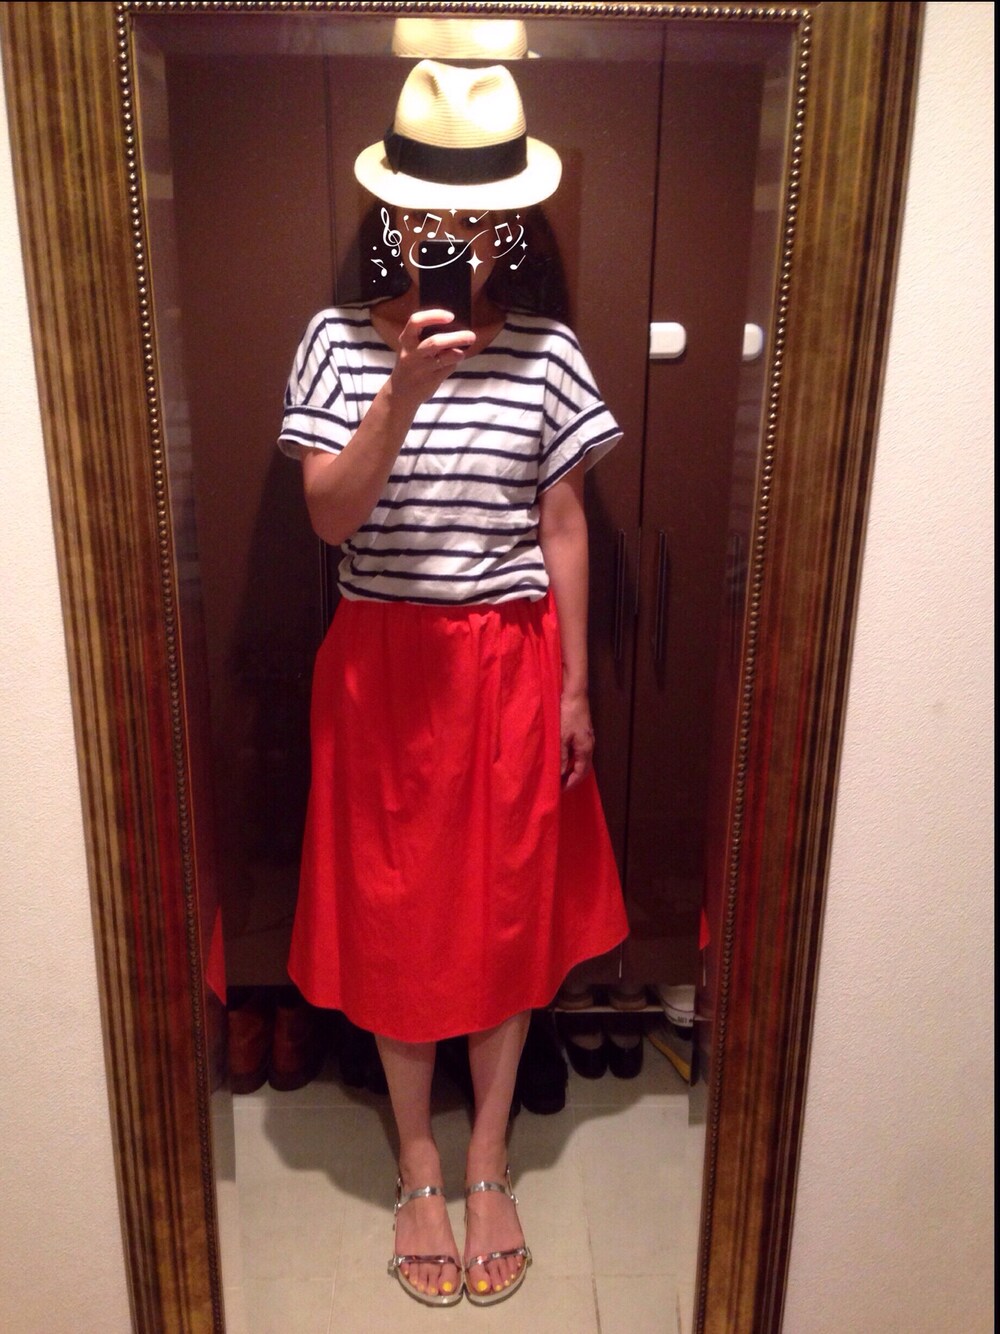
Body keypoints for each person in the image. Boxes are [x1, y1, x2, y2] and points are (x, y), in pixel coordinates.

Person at [278, 59, 628, 1308]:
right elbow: (328, 518)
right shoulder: (333, 343)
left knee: (505, 906)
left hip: (512, 660)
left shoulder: (547, 350)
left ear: (507, 227)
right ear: (394, 217)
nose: (457, 241)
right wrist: (400, 395)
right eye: (433, 217)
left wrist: (575, 687)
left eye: (480, 221)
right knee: (393, 910)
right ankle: (417, 1161)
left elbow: (563, 521)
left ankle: (486, 1158)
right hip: (382, 664)